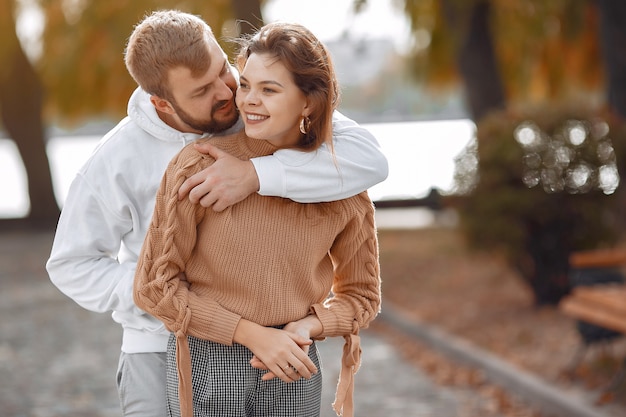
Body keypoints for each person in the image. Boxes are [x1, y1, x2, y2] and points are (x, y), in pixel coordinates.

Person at [46, 9, 387, 417]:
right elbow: (71, 264)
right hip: (157, 344)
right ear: (162, 102)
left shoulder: (254, 106)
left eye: (223, 72)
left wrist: (255, 175)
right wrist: (172, 294)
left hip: (276, 348)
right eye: (201, 91)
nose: (226, 94)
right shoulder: (117, 159)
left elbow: (366, 159)